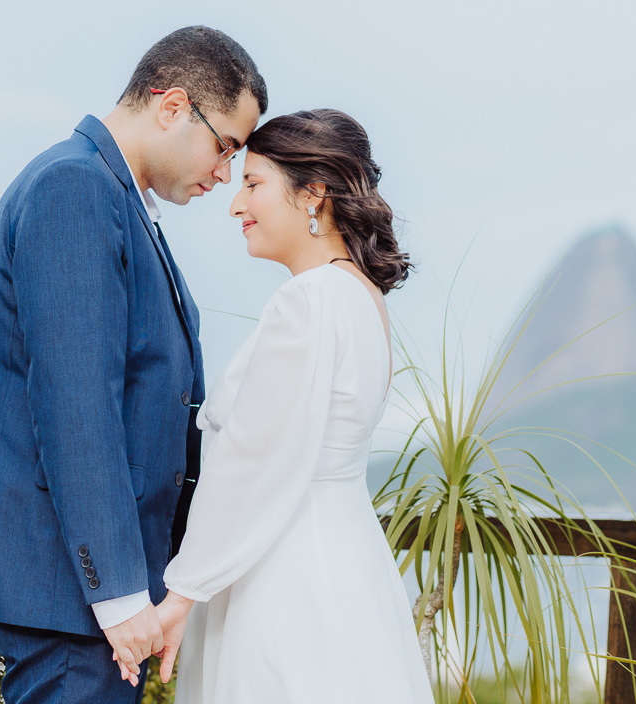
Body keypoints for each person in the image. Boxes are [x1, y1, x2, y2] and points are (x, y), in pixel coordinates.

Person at [0, 26, 266, 703]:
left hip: (85, 593)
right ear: (172, 106)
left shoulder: (115, 197)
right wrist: (117, 594)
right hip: (71, 592)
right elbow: (76, 404)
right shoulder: (74, 188)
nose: (225, 172)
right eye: (224, 146)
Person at [153, 109, 436, 703]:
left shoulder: (307, 301)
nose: (236, 205)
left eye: (253, 184)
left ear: (313, 193)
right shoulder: (361, 296)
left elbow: (255, 459)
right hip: (345, 560)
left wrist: (182, 593)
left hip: (282, 573)